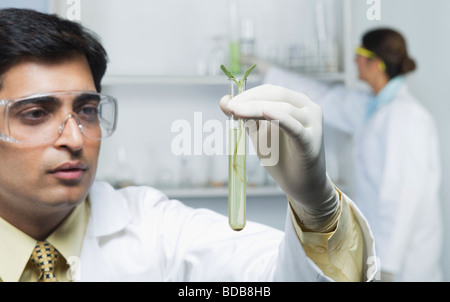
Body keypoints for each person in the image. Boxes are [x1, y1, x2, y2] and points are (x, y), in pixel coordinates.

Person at [0, 8, 377, 282]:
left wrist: (316, 210)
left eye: (86, 110)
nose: (75, 138)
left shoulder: (157, 229)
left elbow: (280, 277)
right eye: (35, 114)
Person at [248, 28, 442, 281]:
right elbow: (324, 99)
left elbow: (404, 197)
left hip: (407, 260)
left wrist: (389, 265)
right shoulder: (371, 107)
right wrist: (269, 72)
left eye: (360, 54)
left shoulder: (406, 117)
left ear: (377, 63)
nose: (355, 60)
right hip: (379, 251)